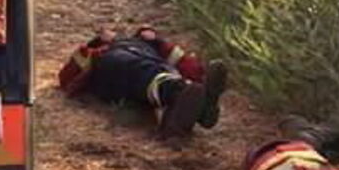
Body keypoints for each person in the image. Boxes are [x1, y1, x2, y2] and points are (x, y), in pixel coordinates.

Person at [58, 25, 227, 137]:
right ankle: (191, 102)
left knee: (158, 74)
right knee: (144, 72)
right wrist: (91, 48)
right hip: (112, 69)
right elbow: (66, 78)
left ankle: (195, 107)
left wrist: (157, 40)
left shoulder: (148, 43)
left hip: (150, 70)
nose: (110, 30)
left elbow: (184, 62)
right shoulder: (98, 51)